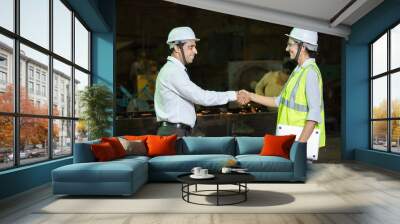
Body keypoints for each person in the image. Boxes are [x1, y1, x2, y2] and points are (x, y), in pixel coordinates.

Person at [240, 27, 326, 155]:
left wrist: (300, 146)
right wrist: (250, 95)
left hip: (300, 141)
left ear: (302, 47)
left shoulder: (310, 73)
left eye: (290, 45)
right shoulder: (298, 71)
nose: (287, 49)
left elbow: (314, 114)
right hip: (289, 139)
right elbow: (278, 101)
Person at [155, 26, 247, 137]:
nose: (195, 51)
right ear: (177, 48)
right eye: (190, 47)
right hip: (174, 133)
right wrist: (234, 95)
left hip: (177, 132)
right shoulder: (173, 72)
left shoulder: (175, 70)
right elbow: (202, 97)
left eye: (195, 47)